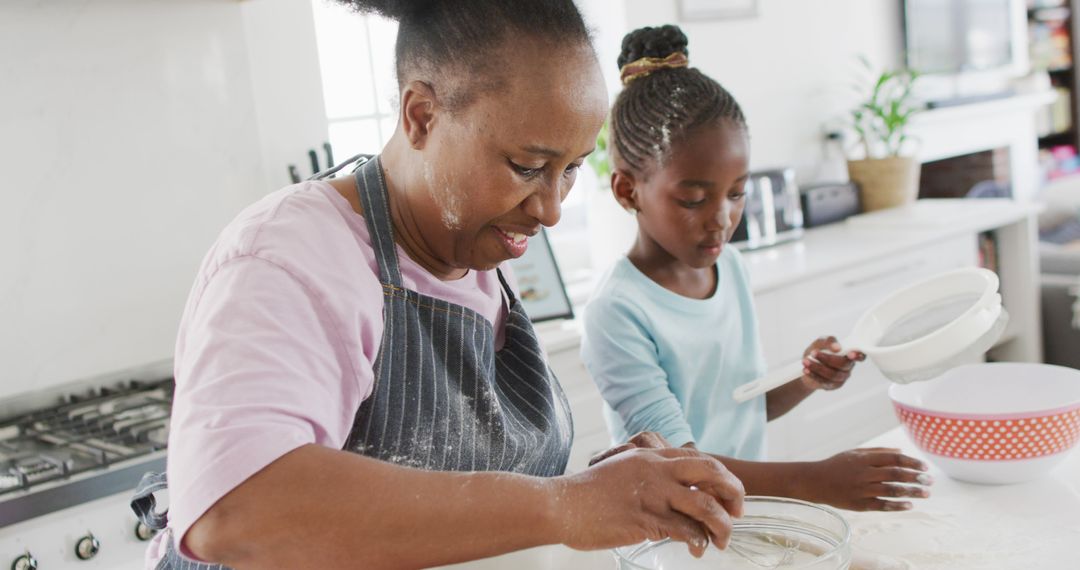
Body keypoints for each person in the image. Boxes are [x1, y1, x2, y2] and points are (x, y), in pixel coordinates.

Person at [129, 3, 749, 569]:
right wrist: (562, 505)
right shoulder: (290, 254)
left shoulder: (471, 253)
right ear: (422, 115)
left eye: (571, 169)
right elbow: (236, 509)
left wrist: (606, 490)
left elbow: (462, 492)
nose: (552, 208)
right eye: (528, 167)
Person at [581, 24, 933, 513]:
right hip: (670, 536)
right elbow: (679, 467)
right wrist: (818, 481)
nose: (722, 219)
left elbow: (741, 411)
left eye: (737, 192)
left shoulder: (731, 269)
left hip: (741, 517)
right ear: (627, 191)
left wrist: (805, 379)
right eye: (694, 198)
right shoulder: (618, 313)